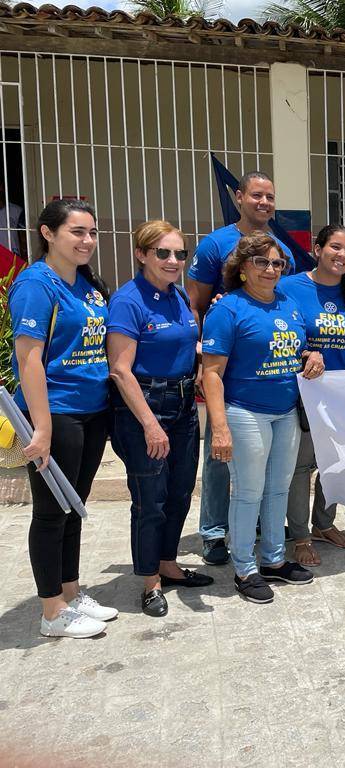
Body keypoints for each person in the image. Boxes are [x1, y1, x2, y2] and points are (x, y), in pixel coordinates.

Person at [9, 199, 118, 638]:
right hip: (56, 411)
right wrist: (42, 427)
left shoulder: (87, 284)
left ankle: (70, 593)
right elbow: (29, 359)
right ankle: (51, 611)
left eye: (92, 232)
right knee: (51, 512)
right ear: (47, 233)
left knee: (74, 506)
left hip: (92, 410)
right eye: (77, 232)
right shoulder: (36, 284)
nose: (87, 240)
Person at [201, 232, 325, 604]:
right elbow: (211, 373)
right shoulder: (227, 309)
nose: (270, 269)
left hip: (285, 412)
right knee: (249, 492)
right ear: (242, 267)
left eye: (277, 263)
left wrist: (312, 355)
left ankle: (273, 559)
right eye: (261, 262)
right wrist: (219, 428)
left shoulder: (288, 304)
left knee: (278, 488)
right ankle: (244, 569)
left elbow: (299, 346)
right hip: (245, 412)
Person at [107, 220, 213, 617]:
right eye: (162, 253)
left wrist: (198, 367)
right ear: (141, 254)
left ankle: (168, 564)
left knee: (181, 490)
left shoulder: (179, 294)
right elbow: (120, 370)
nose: (173, 261)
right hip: (145, 407)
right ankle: (150, 581)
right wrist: (150, 424)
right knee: (150, 499)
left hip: (183, 405)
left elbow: (187, 342)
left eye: (180, 253)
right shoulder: (128, 300)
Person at [185, 171, 289, 568]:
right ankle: (214, 531)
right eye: (256, 195)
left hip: (263, 364)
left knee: (263, 467)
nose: (264, 202)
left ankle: (257, 527)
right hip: (223, 363)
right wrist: (202, 360)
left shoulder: (281, 248)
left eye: (270, 197)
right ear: (239, 197)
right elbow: (196, 303)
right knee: (220, 452)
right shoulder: (215, 243)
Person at [279, 225, 345, 566]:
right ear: (317, 249)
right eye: (335, 247)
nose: (342, 255)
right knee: (301, 468)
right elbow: (277, 333)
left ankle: (324, 524)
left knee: (336, 465)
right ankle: (300, 536)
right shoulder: (289, 287)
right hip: (304, 395)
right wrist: (305, 354)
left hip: (343, 396)